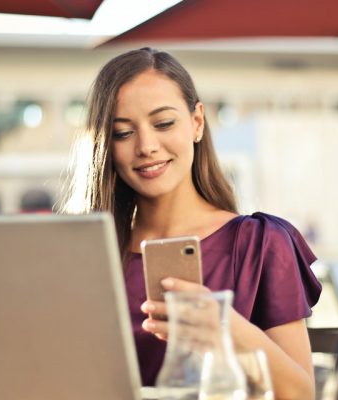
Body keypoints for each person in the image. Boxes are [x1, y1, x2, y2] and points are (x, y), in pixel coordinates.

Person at [66, 48, 321, 399]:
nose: (147, 146)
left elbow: (301, 394)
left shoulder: (260, 242)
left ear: (197, 122)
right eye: (123, 133)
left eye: (163, 123)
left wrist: (224, 326)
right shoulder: (85, 255)